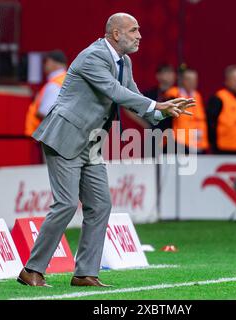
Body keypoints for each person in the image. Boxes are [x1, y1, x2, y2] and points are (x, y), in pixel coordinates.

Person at [17, 12, 194, 287]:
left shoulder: (125, 61)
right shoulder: (93, 56)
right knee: (65, 204)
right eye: (134, 30)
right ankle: (32, 269)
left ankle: (85, 273)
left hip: (90, 142)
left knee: (100, 204)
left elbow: (133, 96)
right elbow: (115, 91)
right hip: (65, 136)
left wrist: (162, 113)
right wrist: (156, 106)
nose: (139, 35)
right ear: (116, 34)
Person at [164, 67, 209, 154]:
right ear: (182, 81)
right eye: (189, 79)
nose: (192, 82)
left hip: (198, 142)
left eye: (195, 79)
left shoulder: (197, 96)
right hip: (180, 143)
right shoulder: (173, 95)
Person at [25, 50, 67, 137]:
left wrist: (37, 113)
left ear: (52, 63)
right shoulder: (65, 80)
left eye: (46, 62)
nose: (44, 65)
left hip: (47, 137)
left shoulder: (54, 84)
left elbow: (46, 113)